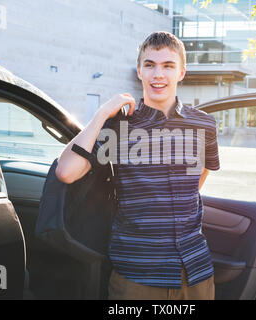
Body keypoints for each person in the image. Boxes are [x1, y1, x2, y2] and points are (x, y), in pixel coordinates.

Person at [56, 31, 219, 300]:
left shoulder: (204, 125)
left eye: (168, 66)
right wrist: (101, 114)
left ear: (181, 72)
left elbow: (198, 180)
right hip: (137, 276)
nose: (158, 74)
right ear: (139, 71)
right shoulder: (120, 126)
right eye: (150, 65)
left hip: (195, 274)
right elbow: (66, 172)